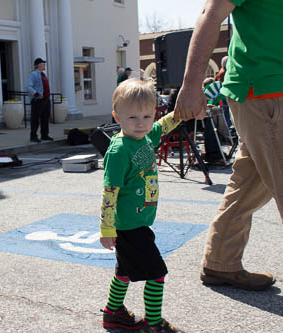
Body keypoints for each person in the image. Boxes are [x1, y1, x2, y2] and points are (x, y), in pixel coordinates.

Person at [174, 0, 281, 291]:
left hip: (268, 91)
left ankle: (221, 263)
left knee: (250, 184)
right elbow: (211, 14)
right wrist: (192, 85)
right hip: (266, 91)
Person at [100, 79, 184, 332]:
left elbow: (164, 124)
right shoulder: (118, 151)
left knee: (124, 272)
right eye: (133, 117)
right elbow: (109, 192)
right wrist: (106, 229)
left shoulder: (146, 137)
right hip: (129, 225)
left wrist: (182, 112)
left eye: (147, 116)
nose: (141, 123)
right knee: (157, 273)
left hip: (138, 222)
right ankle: (154, 323)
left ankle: (112, 312)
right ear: (117, 116)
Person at [26, 57, 53, 143]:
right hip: (38, 100)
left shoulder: (43, 75)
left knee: (45, 118)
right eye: (42, 63)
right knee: (35, 119)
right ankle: (33, 136)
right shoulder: (33, 74)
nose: (44, 65)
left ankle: (44, 135)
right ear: (38, 65)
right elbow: (28, 86)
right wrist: (35, 93)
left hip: (46, 100)